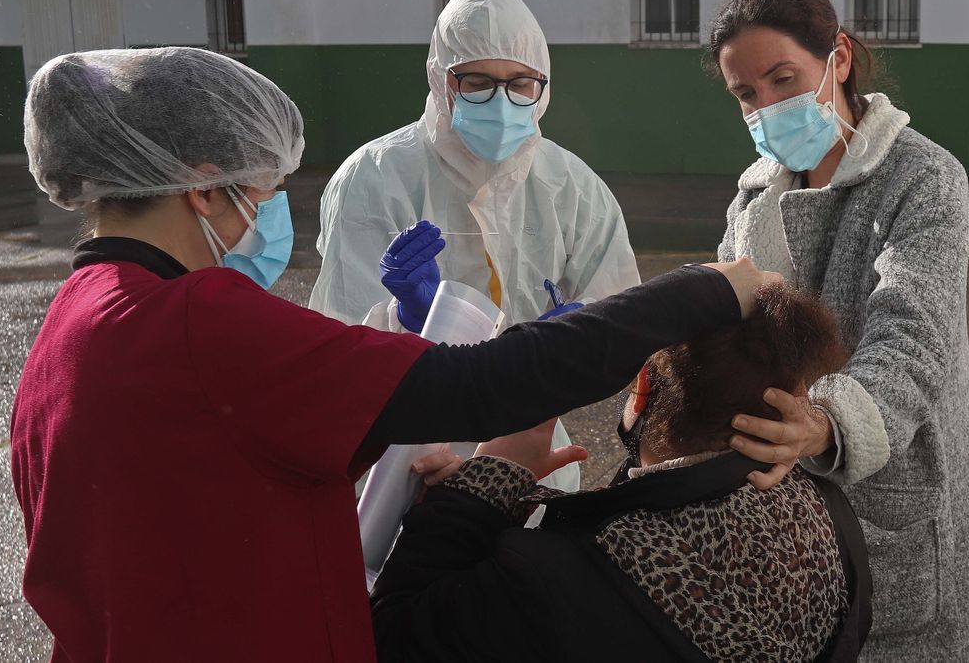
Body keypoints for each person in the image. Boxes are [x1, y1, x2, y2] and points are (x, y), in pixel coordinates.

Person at [10, 46, 776, 663]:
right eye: (266, 191)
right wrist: (700, 291)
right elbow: (485, 383)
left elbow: (206, 486)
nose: (271, 215)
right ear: (207, 189)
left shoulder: (74, 323)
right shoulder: (196, 321)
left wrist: (413, 481)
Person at [706, 0, 969, 661]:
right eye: (747, 94)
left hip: (897, 521)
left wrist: (827, 421)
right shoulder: (751, 203)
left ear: (837, 57)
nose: (768, 106)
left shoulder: (923, 177)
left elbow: (912, 336)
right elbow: (716, 323)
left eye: (784, 78)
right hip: (786, 533)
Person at [371, 284, 872, 663]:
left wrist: (481, 488)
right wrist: (527, 508)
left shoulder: (550, 580)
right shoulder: (829, 513)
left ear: (642, 386)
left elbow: (392, 636)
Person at [311, 0, 638, 491]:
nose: (501, 101)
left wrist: (575, 341)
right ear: (441, 80)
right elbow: (339, 341)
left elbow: (621, 317)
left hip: (529, 453)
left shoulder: (572, 187)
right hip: (407, 451)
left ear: (543, 87)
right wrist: (408, 321)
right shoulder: (376, 178)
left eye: (520, 83)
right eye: (477, 82)